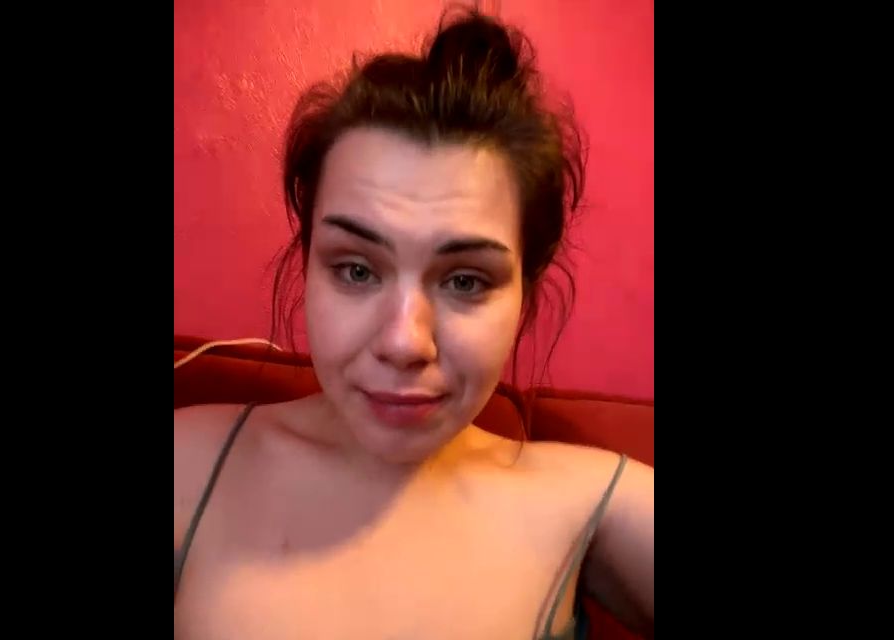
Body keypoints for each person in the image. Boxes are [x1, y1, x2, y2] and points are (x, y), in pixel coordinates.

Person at [174, 8, 653, 639]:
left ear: (526, 295)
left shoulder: (597, 502)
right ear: (307, 264)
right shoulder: (186, 464)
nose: (404, 342)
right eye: (356, 270)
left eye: (465, 281)